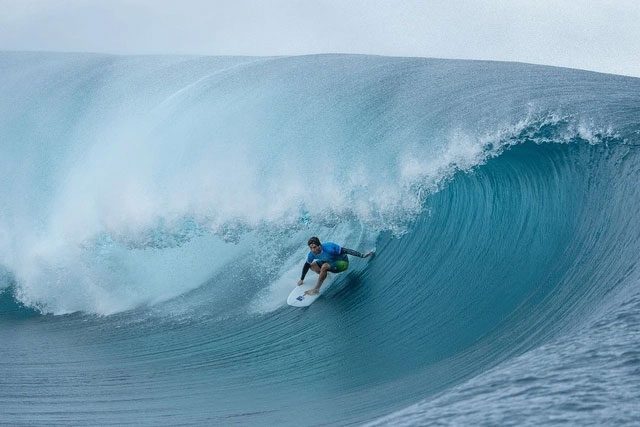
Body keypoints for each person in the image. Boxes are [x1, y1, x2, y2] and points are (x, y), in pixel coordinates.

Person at [298, 236, 373, 295]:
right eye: (311, 248)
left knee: (324, 266)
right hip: (329, 262)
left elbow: (346, 250)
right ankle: (325, 275)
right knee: (311, 266)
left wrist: (362, 255)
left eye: (314, 247)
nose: (313, 250)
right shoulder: (312, 254)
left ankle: (316, 289)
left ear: (319, 246)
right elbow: (306, 265)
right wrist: (302, 279)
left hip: (343, 263)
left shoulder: (330, 247)